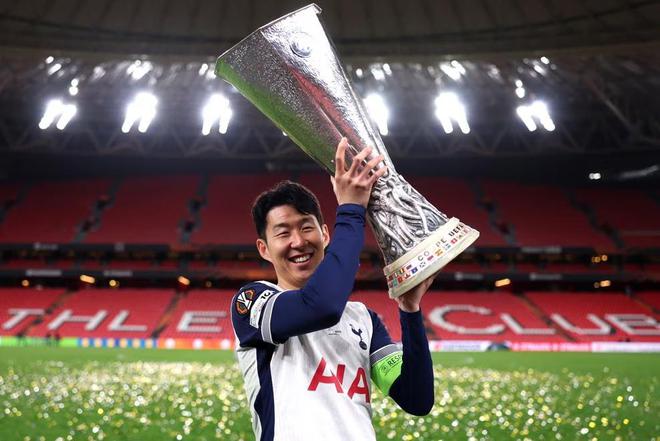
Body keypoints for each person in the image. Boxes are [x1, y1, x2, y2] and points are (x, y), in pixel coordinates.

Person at [231, 138, 435, 441]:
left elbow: (416, 398)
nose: (298, 241)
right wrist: (351, 210)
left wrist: (410, 309)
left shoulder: (364, 319)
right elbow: (322, 306)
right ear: (264, 248)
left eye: (306, 227)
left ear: (326, 235)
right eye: (283, 233)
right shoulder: (252, 303)